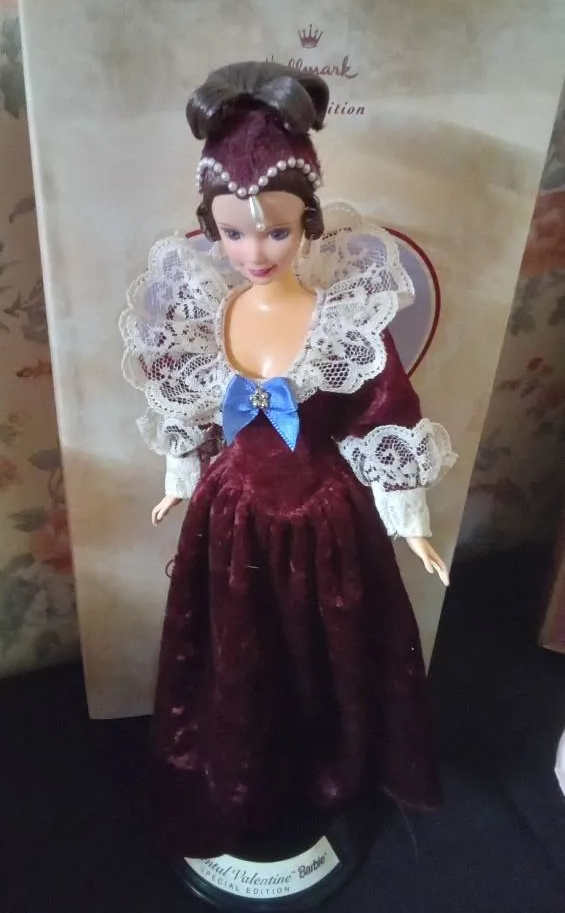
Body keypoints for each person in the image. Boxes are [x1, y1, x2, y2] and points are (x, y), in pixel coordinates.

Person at [119, 61, 456, 858]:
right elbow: (188, 410)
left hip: (322, 519)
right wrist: (178, 480)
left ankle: (319, 776)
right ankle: (240, 779)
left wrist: (407, 520)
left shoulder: (342, 318)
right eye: (232, 232)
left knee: (320, 651)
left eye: (274, 229)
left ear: (307, 221)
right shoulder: (208, 311)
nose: (253, 249)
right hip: (230, 514)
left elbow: (382, 411)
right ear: (210, 229)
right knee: (233, 651)